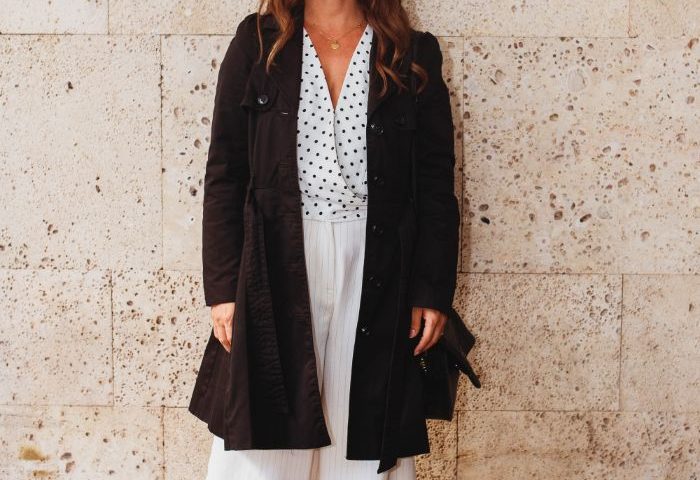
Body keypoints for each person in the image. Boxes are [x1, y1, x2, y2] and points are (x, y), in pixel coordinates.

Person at [188, 0, 461, 478]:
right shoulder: (258, 43)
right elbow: (225, 170)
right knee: (265, 443)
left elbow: (436, 182)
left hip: (376, 263)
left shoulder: (411, 52)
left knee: (362, 437)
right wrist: (225, 289)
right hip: (278, 259)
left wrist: (430, 290)